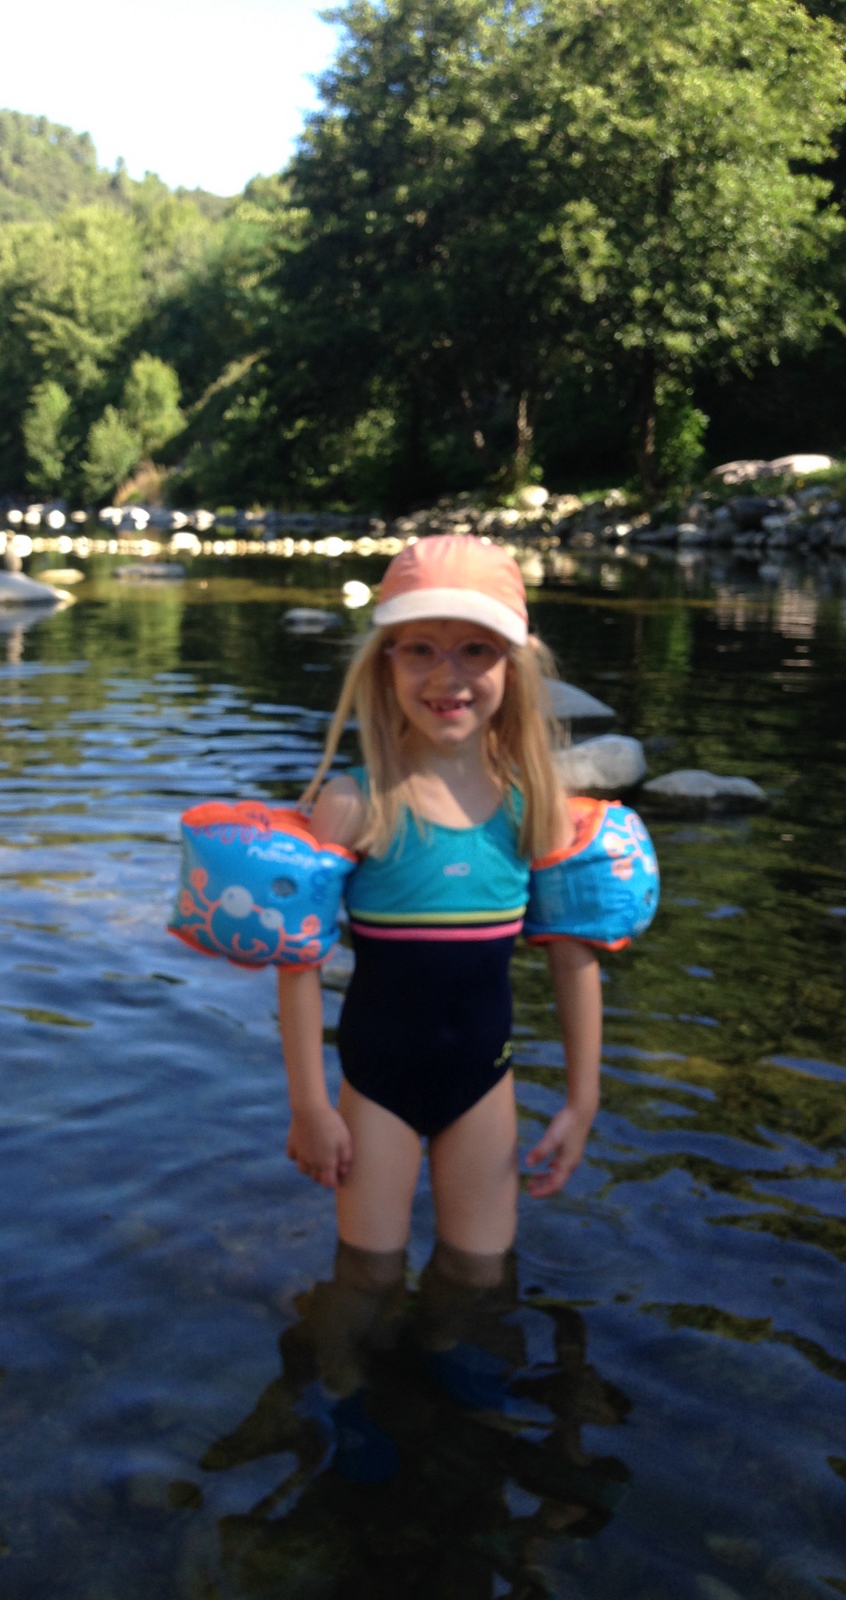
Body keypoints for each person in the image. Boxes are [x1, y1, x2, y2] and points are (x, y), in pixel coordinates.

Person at [277, 534, 603, 1479]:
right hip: (377, 1084)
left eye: (475, 650)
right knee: (368, 1271)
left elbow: (572, 956)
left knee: (475, 1270)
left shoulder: (532, 803)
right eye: (419, 648)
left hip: (482, 1082)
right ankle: (341, 1384)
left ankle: (447, 1360)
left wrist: (582, 1099)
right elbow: (298, 964)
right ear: (384, 665)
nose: (447, 675)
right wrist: (309, 1105)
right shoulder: (358, 802)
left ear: (515, 667)